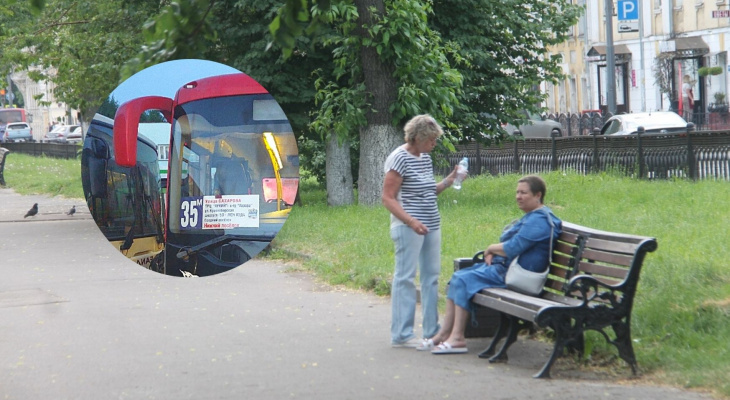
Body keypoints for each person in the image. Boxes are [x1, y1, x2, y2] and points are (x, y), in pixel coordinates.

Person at [423, 175, 562, 354]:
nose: (518, 196)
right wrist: (494, 252)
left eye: (523, 193)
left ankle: (457, 338)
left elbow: (513, 247)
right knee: (456, 279)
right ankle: (444, 334)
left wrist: (491, 248)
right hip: (506, 268)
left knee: (462, 279)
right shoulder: (533, 217)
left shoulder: (540, 221)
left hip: (516, 276)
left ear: (538, 195)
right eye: (517, 192)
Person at [382, 114, 462, 348]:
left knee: (431, 278)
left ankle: (432, 332)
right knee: (405, 278)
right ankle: (402, 334)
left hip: (431, 223)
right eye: (431, 139)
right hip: (408, 227)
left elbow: (428, 191)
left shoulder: (424, 157)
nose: (434, 144)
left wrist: (450, 180)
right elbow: (388, 198)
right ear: (416, 137)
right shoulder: (398, 158)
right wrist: (410, 222)